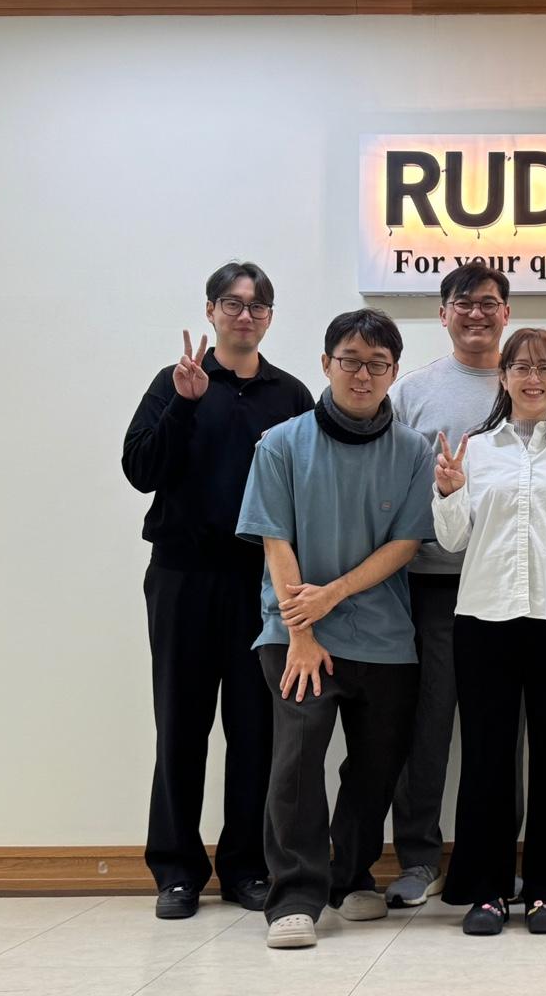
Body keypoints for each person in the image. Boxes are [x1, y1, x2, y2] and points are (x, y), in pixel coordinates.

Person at [236, 308, 435, 949]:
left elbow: (406, 542)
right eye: (350, 360)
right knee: (297, 762)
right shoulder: (280, 443)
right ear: (326, 364)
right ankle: (295, 896)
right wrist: (301, 630)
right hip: (296, 636)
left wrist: (336, 594)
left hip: (383, 634)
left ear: (394, 372)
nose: (362, 374)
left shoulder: (413, 450)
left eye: (378, 364)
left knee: (377, 765)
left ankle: (352, 877)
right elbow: (274, 539)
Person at [122, 261, 312, 920]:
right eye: (232, 303)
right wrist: (184, 403)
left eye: (257, 306)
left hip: (260, 584)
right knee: (180, 723)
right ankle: (176, 871)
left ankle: (246, 868)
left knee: (255, 730)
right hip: (182, 577)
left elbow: (307, 492)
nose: (244, 315)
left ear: (270, 318)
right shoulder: (175, 382)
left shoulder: (290, 395)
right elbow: (140, 469)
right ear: (210, 311)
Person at [433, 328, 546, 936]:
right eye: (521, 367)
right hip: (483, 620)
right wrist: (448, 492)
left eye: (545, 368)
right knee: (486, 758)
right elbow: (453, 540)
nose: (532, 378)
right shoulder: (477, 448)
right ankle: (485, 891)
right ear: (504, 376)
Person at [385, 262, 514, 909]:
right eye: (463, 303)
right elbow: (388, 484)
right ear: (443, 315)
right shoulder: (412, 392)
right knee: (425, 728)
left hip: (506, 589)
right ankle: (417, 858)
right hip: (431, 586)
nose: (476, 313)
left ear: (506, 313)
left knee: (500, 734)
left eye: (488, 302)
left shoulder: (527, 384)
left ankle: (494, 860)